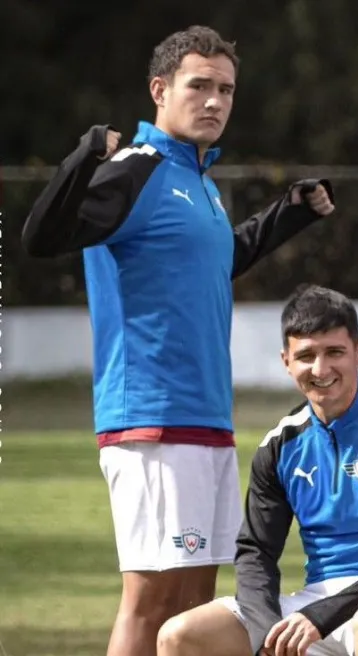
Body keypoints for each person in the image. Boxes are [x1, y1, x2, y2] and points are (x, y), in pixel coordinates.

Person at [19, 25, 335, 656]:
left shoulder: (200, 181)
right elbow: (41, 237)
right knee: (153, 601)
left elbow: (218, 260)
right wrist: (84, 157)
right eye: (199, 86)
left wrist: (288, 213)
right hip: (153, 421)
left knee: (194, 607)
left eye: (226, 89)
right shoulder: (137, 168)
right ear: (160, 90)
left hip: (204, 418)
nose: (215, 100)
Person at [156, 285, 358, 656]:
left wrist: (322, 616)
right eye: (306, 355)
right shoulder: (279, 445)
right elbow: (255, 552)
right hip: (317, 601)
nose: (320, 369)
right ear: (286, 361)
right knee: (180, 635)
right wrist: (270, 636)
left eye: (334, 353)